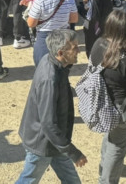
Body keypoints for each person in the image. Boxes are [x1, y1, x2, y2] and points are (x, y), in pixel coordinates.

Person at [16, 29, 87, 183]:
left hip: (56, 142)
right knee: (28, 180)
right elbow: (48, 124)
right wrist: (73, 152)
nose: (79, 51)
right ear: (61, 53)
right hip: (43, 143)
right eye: (74, 48)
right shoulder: (50, 78)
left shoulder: (54, 63)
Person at [89, 10, 126, 184]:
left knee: (109, 138)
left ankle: (103, 169)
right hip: (120, 108)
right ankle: (107, 180)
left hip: (102, 103)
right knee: (117, 146)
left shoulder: (98, 44)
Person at [26, 0, 78, 65]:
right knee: (62, 72)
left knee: (43, 70)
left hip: (44, 40)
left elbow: (31, 24)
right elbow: (74, 19)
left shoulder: (40, 1)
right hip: (63, 38)